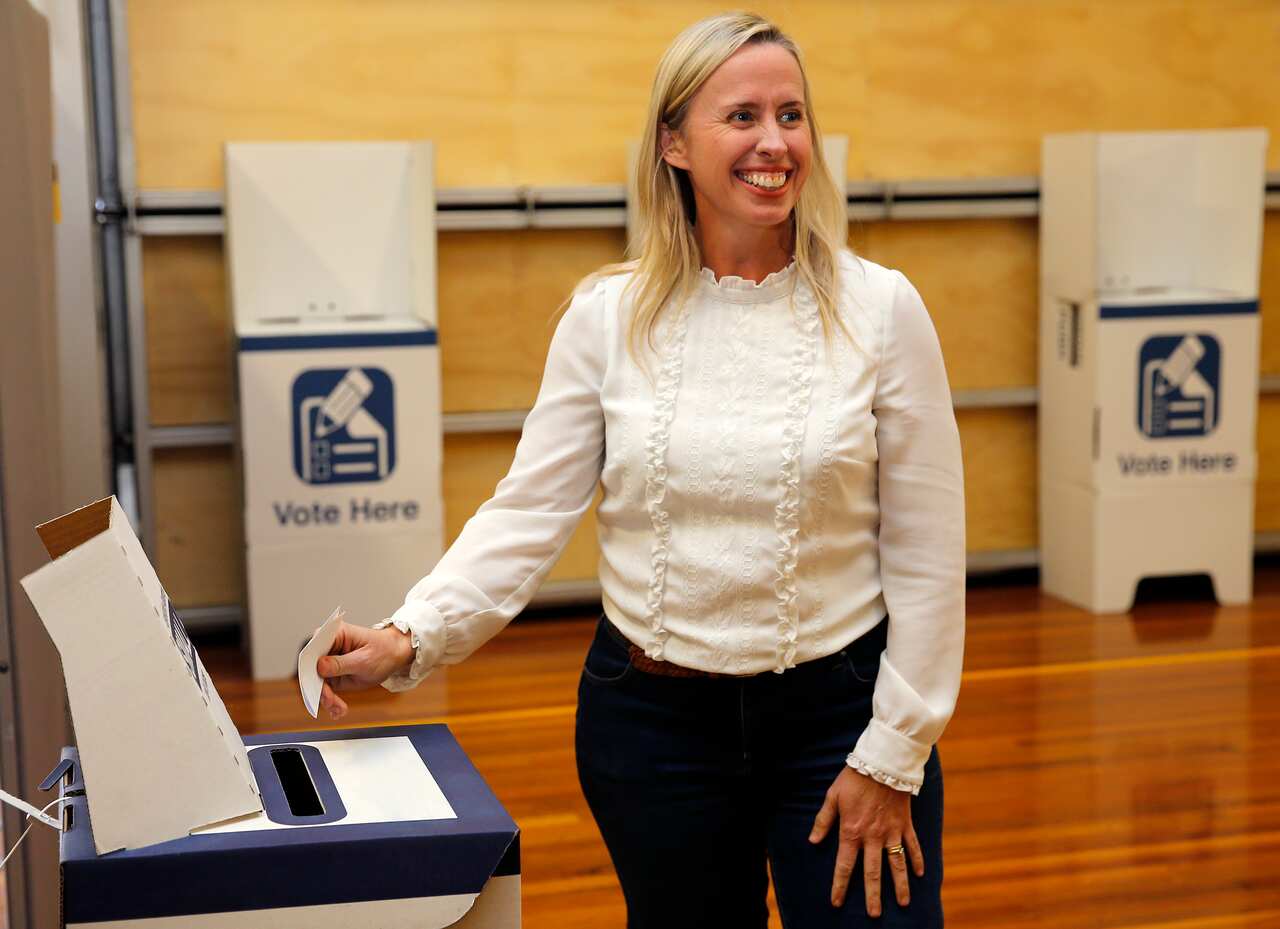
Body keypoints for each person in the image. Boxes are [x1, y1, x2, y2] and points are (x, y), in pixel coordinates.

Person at [315, 12, 965, 928]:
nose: (773, 143)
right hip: (652, 732)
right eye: (741, 116)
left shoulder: (882, 309)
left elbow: (932, 555)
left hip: (840, 722)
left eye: (791, 114)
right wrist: (413, 635)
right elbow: (527, 513)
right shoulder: (606, 316)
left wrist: (894, 752)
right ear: (673, 143)